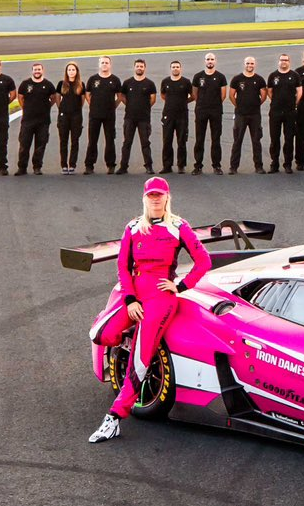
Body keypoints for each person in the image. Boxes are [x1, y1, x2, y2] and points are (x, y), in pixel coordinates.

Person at [87, 176, 211, 444]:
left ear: (167, 198)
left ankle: (114, 417)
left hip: (161, 298)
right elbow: (122, 267)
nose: (156, 199)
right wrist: (130, 299)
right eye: (151, 196)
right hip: (136, 295)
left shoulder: (179, 227)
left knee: (140, 362)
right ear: (145, 199)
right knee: (102, 333)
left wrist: (181, 285)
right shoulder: (133, 227)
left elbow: (203, 261)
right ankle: (137, 343)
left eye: (160, 195)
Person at [15, 62, 58, 176]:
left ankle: (37, 167)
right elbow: (20, 98)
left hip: (43, 121)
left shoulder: (48, 84)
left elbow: (53, 98)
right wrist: (26, 108)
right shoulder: (25, 84)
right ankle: (22, 168)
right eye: (35, 69)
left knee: (40, 145)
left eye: (39, 69)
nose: (37, 71)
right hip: (28, 120)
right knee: (24, 145)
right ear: (32, 71)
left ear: (42, 70)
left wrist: (46, 107)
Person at [228, 57, 268, 174]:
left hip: (255, 115)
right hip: (241, 114)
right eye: (247, 63)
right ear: (244, 64)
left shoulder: (259, 79)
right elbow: (231, 95)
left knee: (256, 141)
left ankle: (259, 166)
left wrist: (256, 104)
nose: (249, 65)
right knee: (237, 141)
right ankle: (233, 167)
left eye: (252, 63)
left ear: (255, 65)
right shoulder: (237, 79)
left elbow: (264, 96)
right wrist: (239, 106)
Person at [84, 57, 122, 175]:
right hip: (94, 115)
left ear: (110, 65)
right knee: (92, 140)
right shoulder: (93, 79)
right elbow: (87, 94)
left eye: (106, 63)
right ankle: (89, 165)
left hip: (109, 115)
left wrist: (112, 106)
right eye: (102, 63)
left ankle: (111, 165)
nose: (104, 64)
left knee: (110, 140)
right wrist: (94, 105)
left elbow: (119, 97)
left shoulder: (115, 80)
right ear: (99, 64)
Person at [119, 59, 157, 174]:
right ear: (134, 67)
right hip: (129, 117)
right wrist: (130, 105)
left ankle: (149, 166)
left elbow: (153, 99)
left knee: (145, 143)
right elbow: (122, 96)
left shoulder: (149, 84)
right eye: (137, 66)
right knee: (127, 143)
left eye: (141, 66)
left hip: (144, 118)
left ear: (144, 68)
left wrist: (144, 107)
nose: (139, 68)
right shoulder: (127, 83)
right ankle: (123, 166)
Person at [266, 53, 301, 173]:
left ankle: (288, 164)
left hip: (290, 112)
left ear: (289, 62)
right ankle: (274, 164)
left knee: (289, 138)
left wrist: (293, 103)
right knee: (274, 138)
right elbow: (269, 91)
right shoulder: (273, 75)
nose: (283, 62)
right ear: (279, 61)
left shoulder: (294, 75)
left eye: (286, 60)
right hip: (275, 111)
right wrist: (277, 101)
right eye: (281, 60)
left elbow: (299, 91)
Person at [158, 61, 193, 175]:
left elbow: (193, 96)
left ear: (180, 69)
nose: (175, 69)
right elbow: (163, 95)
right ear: (170, 68)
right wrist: (171, 102)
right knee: (167, 141)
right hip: (168, 115)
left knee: (181, 141)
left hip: (182, 115)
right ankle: (167, 165)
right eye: (173, 67)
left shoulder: (186, 82)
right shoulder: (165, 81)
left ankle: (181, 165)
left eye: (177, 67)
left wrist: (183, 102)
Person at [57, 62, 85, 175]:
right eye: (69, 70)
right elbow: (57, 98)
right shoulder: (61, 84)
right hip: (64, 116)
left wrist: (76, 110)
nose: (71, 72)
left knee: (75, 141)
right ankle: (64, 165)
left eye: (73, 70)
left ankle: (72, 164)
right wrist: (62, 109)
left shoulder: (80, 85)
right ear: (66, 72)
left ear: (76, 71)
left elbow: (82, 101)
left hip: (76, 116)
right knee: (63, 140)